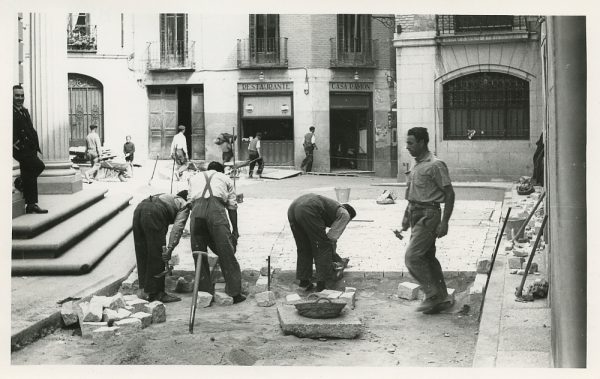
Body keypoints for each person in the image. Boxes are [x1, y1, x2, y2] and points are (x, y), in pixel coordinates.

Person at [401, 127, 455, 314]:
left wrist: (445, 222)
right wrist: (406, 219)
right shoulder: (416, 165)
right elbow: (412, 195)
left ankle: (432, 295)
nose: (407, 147)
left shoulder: (435, 165)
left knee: (413, 257)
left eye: (411, 143)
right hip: (416, 213)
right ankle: (442, 297)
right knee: (427, 257)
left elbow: (449, 194)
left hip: (429, 215)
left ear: (422, 142)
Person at [188, 161, 246, 304]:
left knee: (199, 253)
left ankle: (204, 293)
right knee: (226, 251)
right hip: (216, 212)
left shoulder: (194, 178)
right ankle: (234, 292)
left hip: (196, 212)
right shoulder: (225, 178)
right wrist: (235, 230)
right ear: (221, 171)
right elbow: (232, 207)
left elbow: (190, 201)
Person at [287, 194, 356, 292]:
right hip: (309, 208)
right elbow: (330, 240)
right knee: (322, 247)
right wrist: (336, 258)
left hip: (293, 208)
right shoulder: (345, 214)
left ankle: (304, 283)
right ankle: (321, 286)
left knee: (304, 247)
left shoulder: (330, 208)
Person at [133, 190, 191, 303]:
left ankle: (144, 290)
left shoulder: (167, 197)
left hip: (140, 208)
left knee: (142, 251)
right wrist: (169, 249)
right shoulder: (185, 205)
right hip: (154, 212)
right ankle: (157, 294)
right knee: (157, 254)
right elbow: (177, 229)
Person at [12, 85, 48, 214]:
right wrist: (18, 146)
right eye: (17, 95)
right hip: (20, 150)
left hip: (29, 149)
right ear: (11, 96)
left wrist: (34, 145)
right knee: (39, 166)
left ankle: (31, 204)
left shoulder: (24, 110)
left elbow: (30, 129)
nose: (20, 98)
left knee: (29, 173)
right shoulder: (10, 111)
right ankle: (20, 181)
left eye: (22, 96)